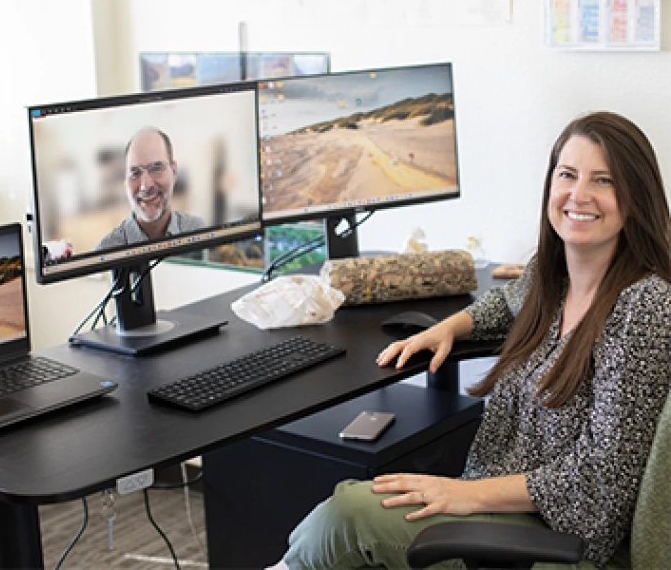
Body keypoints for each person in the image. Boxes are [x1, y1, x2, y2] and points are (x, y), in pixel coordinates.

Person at [268, 112, 671, 570]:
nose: (578, 195)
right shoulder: (553, 271)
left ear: (636, 197)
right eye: (568, 174)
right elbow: (506, 304)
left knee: (348, 515)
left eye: (604, 180)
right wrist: (449, 326)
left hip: (563, 540)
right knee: (352, 520)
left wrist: (463, 493)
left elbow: (604, 478)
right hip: (502, 507)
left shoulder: (645, 306)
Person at [95, 127, 206, 251]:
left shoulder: (198, 230)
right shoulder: (106, 251)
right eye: (135, 173)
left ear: (174, 172)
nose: (145, 186)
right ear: (125, 181)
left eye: (156, 168)